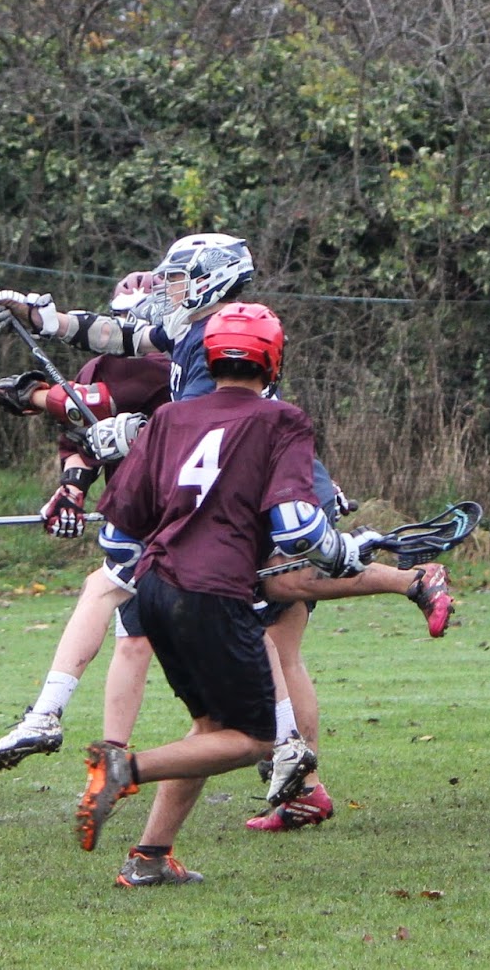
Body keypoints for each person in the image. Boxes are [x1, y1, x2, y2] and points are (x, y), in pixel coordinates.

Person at [0, 235, 455, 830]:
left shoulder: (220, 339)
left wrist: (130, 433)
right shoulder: (195, 329)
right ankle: (296, 774)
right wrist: (42, 319)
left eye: (178, 280)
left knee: (260, 605)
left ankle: (73, 728)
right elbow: (121, 336)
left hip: (257, 481)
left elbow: (214, 431)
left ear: (213, 280)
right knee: (274, 623)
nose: (167, 291)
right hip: (253, 478)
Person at [74, 302, 366, 885]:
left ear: (208, 358)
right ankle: (122, 769)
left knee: (210, 729)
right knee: (257, 739)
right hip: (212, 594)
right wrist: (344, 553)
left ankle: (149, 859)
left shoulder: (169, 418)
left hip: (153, 591)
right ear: (273, 362)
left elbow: (117, 536)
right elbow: (297, 528)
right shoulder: (281, 420)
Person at [0, 273, 171, 772]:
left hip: (174, 512)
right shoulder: (95, 366)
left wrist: (36, 395)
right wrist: (72, 489)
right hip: (137, 510)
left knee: (106, 593)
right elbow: (82, 437)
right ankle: (112, 758)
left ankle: (45, 715)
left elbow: (99, 403)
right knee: (133, 639)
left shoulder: (167, 363)